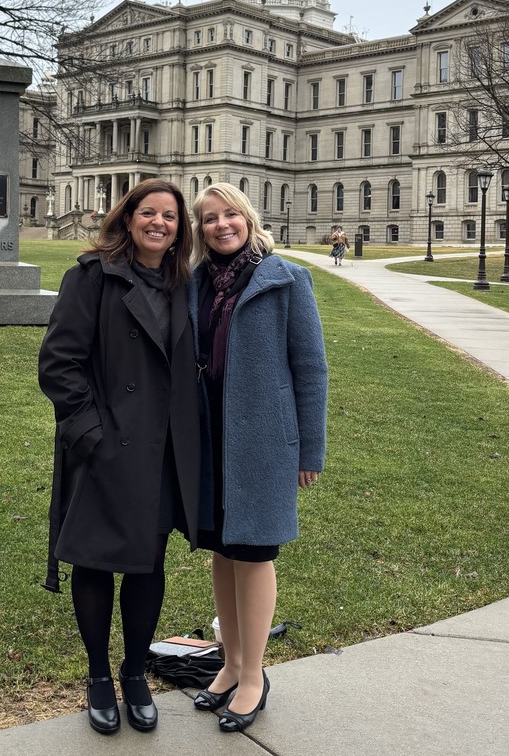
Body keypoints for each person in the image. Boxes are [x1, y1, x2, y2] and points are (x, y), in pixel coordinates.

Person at [38, 179, 202, 735]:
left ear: (181, 229)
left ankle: (135, 672)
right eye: (149, 214)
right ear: (128, 219)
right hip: (107, 444)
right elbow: (59, 364)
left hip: (161, 451)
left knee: (148, 562)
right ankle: (98, 677)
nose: (160, 224)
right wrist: (91, 433)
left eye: (171, 218)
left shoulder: (185, 284)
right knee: (93, 560)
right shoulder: (91, 276)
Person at [188, 183, 328, 733]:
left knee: (255, 552)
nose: (221, 226)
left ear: (248, 218)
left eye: (230, 215)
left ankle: (254, 677)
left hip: (265, 439)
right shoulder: (196, 284)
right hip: (210, 435)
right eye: (208, 219)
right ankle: (230, 664)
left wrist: (309, 448)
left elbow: (311, 369)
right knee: (222, 549)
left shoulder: (287, 279)